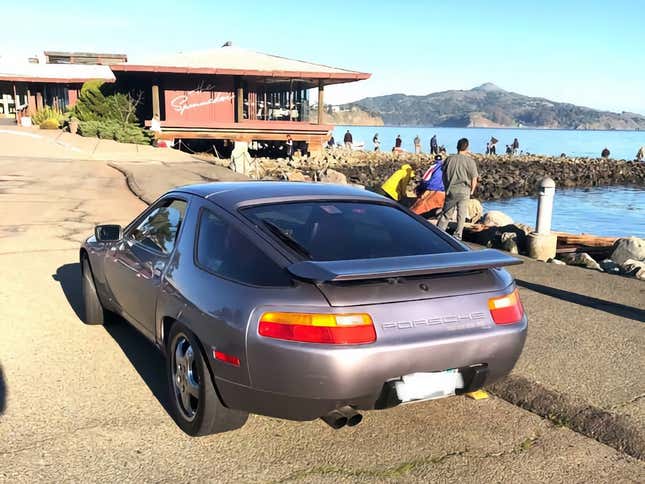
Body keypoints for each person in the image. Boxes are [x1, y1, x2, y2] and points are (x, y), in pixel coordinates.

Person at [436, 138, 478, 240]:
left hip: (451, 189)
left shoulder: (449, 159)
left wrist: (446, 186)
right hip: (464, 191)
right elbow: (474, 178)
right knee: (461, 214)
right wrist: (472, 191)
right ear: (467, 147)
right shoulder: (470, 161)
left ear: (457, 147)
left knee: (446, 214)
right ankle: (458, 235)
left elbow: (443, 174)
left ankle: (439, 233)